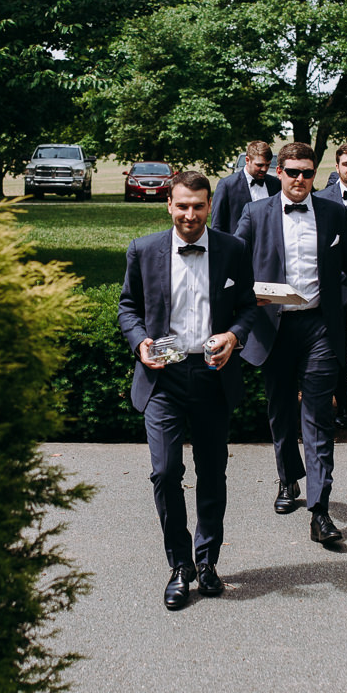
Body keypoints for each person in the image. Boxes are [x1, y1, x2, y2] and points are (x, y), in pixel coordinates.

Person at [234, 142, 347, 546]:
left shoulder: (334, 213)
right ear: (278, 174)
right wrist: (251, 295)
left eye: (306, 172)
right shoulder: (255, 213)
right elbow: (231, 268)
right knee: (281, 411)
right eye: (291, 172)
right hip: (274, 328)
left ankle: (320, 510)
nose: (299, 179)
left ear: (315, 174)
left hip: (320, 327)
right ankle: (288, 479)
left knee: (318, 418)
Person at [118, 171, 259, 610]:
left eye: (198, 206)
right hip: (164, 376)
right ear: (169, 205)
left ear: (210, 206)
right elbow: (128, 307)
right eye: (182, 205)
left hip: (212, 374)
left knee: (212, 473)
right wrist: (140, 340)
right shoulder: (144, 250)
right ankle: (180, 566)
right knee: (164, 473)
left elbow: (249, 305)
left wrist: (234, 336)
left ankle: (208, 561)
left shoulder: (233, 249)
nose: (190, 214)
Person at [313, 142, 347, 429]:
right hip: (333, 291)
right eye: (346, 164)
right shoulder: (321, 200)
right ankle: (344, 406)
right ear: (337, 168)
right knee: (336, 352)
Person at [210, 140, 279, 234]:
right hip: (238, 246)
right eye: (259, 165)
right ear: (247, 160)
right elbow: (217, 226)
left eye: (268, 165)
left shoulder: (275, 184)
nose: (264, 169)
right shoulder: (227, 185)